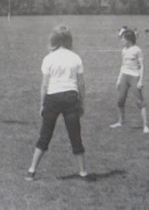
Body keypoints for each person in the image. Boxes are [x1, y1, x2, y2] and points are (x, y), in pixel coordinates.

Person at [25, 25, 89, 181]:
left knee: (45, 135)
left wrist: (42, 105)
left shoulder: (48, 58)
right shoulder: (75, 57)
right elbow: (81, 85)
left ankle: (31, 171)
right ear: (69, 39)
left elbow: (44, 86)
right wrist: (81, 103)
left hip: (53, 98)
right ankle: (83, 173)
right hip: (70, 97)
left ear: (53, 40)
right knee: (75, 135)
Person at [109, 29, 149, 133]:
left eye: (123, 38)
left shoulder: (137, 50)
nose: (121, 40)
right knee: (120, 100)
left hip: (134, 76)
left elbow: (142, 66)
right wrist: (119, 79)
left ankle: (145, 125)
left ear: (128, 39)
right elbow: (123, 65)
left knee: (139, 101)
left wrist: (141, 80)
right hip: (124, 76)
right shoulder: (124, 50)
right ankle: (120, 121)